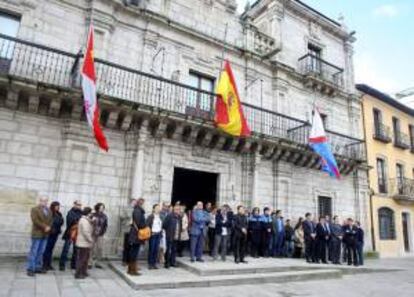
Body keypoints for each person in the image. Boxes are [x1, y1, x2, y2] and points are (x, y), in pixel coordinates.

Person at [26, 196, 53, 276]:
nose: (44, 202)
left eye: (45, 201)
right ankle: (30, 268)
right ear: (39, 201)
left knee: (41, 252)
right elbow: (35, 220)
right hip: (37, 233)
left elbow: (51, 220)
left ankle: (37, 267)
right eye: (42, 201)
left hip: (45, 234)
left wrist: (49, 227)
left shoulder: (49, 210)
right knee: (34, 251)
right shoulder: (34, 209)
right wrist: (45, 227)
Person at [59, 200, 83, 271]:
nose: (79, 206)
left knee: (76, 250)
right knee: (65, 250)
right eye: (78, 204)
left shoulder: (81, 213)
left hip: (78, 234)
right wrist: (78, 221)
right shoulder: (70, 212)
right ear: (74, 204)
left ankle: (73, 264)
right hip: (70, 233)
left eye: (80, 205)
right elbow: (70, 221)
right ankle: (62, 264)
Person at [127, 198, 146, 275]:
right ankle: (132, 270)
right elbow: (138, 223)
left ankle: (131, 269)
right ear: (140, 203)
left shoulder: (138, 210)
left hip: (135, 233)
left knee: (134, 251)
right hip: (136, 234)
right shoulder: (138, 211)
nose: (143, 204)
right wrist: (145, 226)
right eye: (142, 203)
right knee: (134, 252)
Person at [42, 201, 64, 271]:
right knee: (47, 249)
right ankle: (45, 265)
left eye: (58, 206)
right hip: (50, 233)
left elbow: (61, 222)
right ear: (53, 206)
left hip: (56, 233)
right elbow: (47, 222)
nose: (58, 207)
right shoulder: (49, 213)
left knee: (51, 249)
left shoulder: (59, 213)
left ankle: (48, 264)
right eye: (56, 206)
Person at [75, 207, 94, 279]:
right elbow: (86, 232)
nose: (91, 214)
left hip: (85, 243)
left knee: (85, 258)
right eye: (91, 213)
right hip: (83, 243)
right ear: (88, 213)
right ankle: (78, 273)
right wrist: (91, 240)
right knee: (82, 259)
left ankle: (83, 272)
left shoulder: (86, 220)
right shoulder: (84, 220)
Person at [89, 203, 108, 269]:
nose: (102, 209)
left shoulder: (104, 216)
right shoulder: (93, 215)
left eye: (103, 207)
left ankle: (98, 262)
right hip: (93, 234)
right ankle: (89, 262)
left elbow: (105, 225)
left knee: (100, 248)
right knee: (91, 248)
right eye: (101, 207)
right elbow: (89, 223)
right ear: (97, 208)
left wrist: (103, 232)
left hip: (100, 234)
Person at [146, 204, 162, 269]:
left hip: (158, 234)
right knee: (151, 249)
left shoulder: (160, 216)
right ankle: (150, 263)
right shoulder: (150, 216)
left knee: (156, 250)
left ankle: (154, 263)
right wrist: (150, 232)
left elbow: (161, 225)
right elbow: (147, 225)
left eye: (159, 208)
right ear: (153, 209)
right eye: (157, 208)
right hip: (153, 234)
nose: (158, 209)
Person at [121, 198, 137, 265]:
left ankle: (129, 260)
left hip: (134, 230)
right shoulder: (126, 208)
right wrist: (128, 218)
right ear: (131, 202)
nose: (135, 203)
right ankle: (124, 260)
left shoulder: (136, 209)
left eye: (135, 202)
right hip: (127, 229)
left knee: (132, 246)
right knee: (126, 245)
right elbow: (122, 217)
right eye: (134, 202)